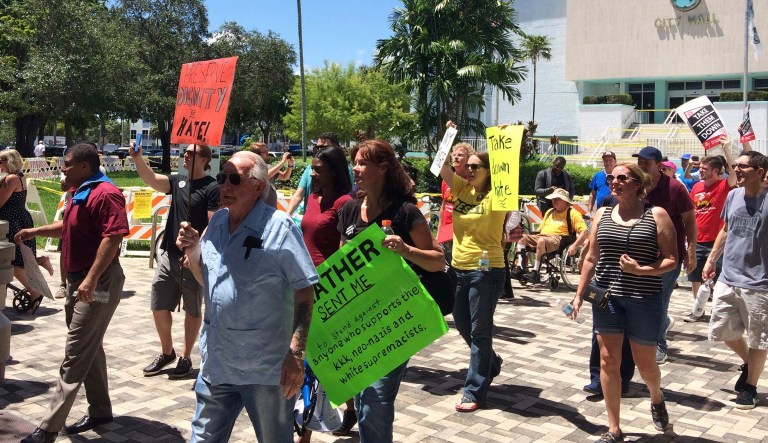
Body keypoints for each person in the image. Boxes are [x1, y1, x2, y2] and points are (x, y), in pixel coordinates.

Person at [176, 151, 318, 442]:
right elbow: (209, 282)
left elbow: (305, 291)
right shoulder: (216, 223)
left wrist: (295, 354)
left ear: (258, 186)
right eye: (221, 177)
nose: (225, 186)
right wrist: (192, 252)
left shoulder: (280, 227)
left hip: (266, 370)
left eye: (234, 179)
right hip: (217, 364)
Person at [18, 143, 129, 443]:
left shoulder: (106, 193)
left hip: (98, 285)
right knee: (88, 346)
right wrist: (35, 232)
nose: (61, 168)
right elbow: (68, 227)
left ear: (84, 166)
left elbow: (113, 237)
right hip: (78, 282)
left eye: (66, 164)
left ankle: (48, 428)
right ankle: (101, 410)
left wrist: (91, 280)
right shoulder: (79, 190)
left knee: (75, 351)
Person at [337, 139, 444, 442]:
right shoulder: (349, 211)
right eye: (354, 162)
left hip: (395, 321)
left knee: (376, 397)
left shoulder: (405, 212)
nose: (355, 169)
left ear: (382, 168)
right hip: (357, 322)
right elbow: (342, 266)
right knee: (360, 394)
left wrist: (405, 249)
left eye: (361, 163)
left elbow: (438, 262)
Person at [572, 162, 678, 443]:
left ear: (638, 183)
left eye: (622, 177)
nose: (614, 181)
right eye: (611, 177)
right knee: (608, 360)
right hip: (607, 298)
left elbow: (671, 260)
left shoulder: (656, 215)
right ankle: (614, 428)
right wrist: (579, 294)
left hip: (644, 298)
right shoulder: (602, 214)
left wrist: (641, 270)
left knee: (646, 366)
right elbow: (592, 258)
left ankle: (656, 397)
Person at [130, 143, 220, 379]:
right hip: (169, 255)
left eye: (191, 153)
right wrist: (138, 159)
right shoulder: (177, 180)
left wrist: (195, 254)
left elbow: (213, 224)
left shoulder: (212, 187)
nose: (186, 156)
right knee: (158, 303)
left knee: (192, 308)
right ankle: (167, 352)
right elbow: (151, 179)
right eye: (185, 153)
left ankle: (186, 357)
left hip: (192, 260)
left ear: (204, 159)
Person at [438, 148, 509, 413]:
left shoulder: (499, 196)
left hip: (487, 271)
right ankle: (490, 362)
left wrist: (506, 144)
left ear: (490, 171)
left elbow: (508, 171)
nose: (468, 170)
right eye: (467, 165)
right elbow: (440, 163)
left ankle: (474, 390)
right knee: (463, 325)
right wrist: (448, 138)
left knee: (480, 330)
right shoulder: (460, 188)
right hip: (458, 268)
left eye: (475, 167)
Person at [297, 146, 354, 442]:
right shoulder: (312, 198)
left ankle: (304, 432)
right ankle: (351, 405)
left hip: (329, 290)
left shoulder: (346, 202)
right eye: (312, 168)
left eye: (318, 168)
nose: (313, 173)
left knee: (316, 360)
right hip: (302, 286)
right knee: (317, 359)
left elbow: (347, 248)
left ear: (334, 170)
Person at [704, 150, 768, 410]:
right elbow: (726, 229)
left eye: (743, 167)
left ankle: (750, 387)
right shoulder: (733, 195)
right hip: (728, 276)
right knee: (723, 331)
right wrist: (711, 259)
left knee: (758, 338)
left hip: (759, 282)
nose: (736, 170)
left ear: (761, 173)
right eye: (735, 166)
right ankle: (748, 363)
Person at [633, 145, 696, 364]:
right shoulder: (636, 188)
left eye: (646, 164)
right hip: (641, 255)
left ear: (659, 166)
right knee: (643, 300)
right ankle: (653, 330)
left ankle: (659, 344)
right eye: (639, 164)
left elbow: (689, 221)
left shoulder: (675, 188)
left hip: (669, 257)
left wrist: (691, 252)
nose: (641, 168)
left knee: (660, 300)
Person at [684, 143, 736, 322]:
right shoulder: (697, 187)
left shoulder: (723, 186)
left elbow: (734, 173)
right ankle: (698, 310)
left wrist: (726, 150)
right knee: (695, 277)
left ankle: (719, 312)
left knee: (719, 279)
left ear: (715, 171)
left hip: (717, 242)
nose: (701, 171)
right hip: (697, 240)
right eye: (700, 168)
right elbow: (691, 212)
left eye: (704, 169)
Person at [0, 149, 53, 313]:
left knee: (11, 262)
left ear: (9, 161)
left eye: (0, 160)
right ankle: (41, 260)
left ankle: (34, 293)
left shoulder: (11, 179)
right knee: (19, 259)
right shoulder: (19, 176)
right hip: (18, 219)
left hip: (12, 222)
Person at [520, 187, 589, 283]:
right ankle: (520, 268)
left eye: (557, 199)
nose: (553, 201)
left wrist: (575, 245)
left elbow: (584, 232)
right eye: (553, 199)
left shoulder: (573, 213)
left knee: (541, 241)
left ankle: (535, 272)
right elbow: (539, 230)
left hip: (559, 240)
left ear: (565, 201)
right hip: (542, 236)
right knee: (521, 238)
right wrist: (531, 235)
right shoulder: (549, 212)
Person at [436, 143, 473, 265]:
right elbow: (443, 206)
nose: (456, 157)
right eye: (454, 155)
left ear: (468, 159)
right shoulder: (445, 181)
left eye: (461, 155)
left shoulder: (471, 181)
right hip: (446, 231)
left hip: (462, 232)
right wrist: (439, 230)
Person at [287, 133, 340, 215]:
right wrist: (287, 216)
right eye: (317, 147)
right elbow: (298, 195)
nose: (319, 150)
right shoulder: (309, 169)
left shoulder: (343, 170)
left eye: (324, 147)